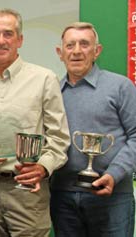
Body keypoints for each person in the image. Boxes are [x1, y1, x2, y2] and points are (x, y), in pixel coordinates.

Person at [0, 8, 70, 237]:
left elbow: (59, 137)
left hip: (28, 189)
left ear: (20, 39)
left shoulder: (44, 79)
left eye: (8, 34)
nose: (1, 40)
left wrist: (43, 167)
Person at [50, 22, 136, 237]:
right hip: (62, 196)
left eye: (84, 44)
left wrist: (114, 174)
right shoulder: (52, 93)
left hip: (113, 197)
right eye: (70, 45)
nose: (77, 51)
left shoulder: (120, 86)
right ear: (60, 53)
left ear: (97, 51)